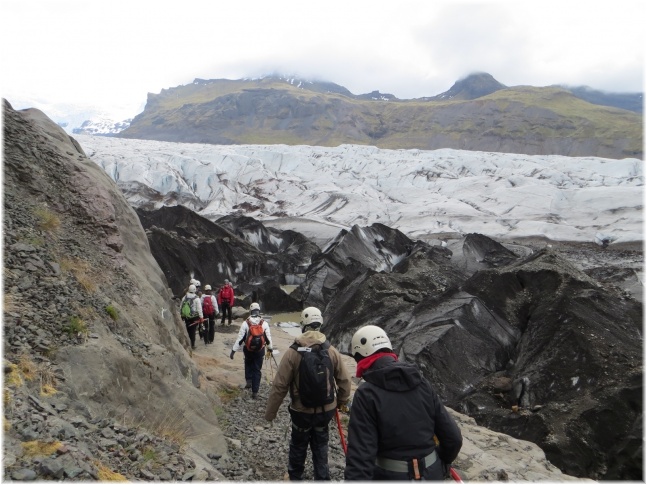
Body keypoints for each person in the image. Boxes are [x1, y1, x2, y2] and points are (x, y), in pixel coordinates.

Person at [344, 325, 463, 481]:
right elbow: (453, 438)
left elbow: (361, 458)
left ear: (360, 357)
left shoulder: (366, 394)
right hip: (432, 474)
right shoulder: (422, 383)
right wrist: (441, 463)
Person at [265, 307, 352, 481]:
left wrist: (270, 413)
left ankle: (295, 477)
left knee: (298, 445)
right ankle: (322, 478)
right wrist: (342, 402)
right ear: (320, 324)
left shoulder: (292, 353)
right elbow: (345, 381)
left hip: (300, 412)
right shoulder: (331, 350)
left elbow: (279, 386)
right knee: (321, 445)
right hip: (325, 411)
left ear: (303, 325)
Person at [229, 303, 273, 399]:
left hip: (248, 350)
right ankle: (255, 392)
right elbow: (268, 338)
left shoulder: (246, 323)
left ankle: (248, 380)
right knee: (257, 370)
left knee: (248, 363)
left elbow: (240, 339)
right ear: (259, 311)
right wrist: (270, 348)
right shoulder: (264, 323)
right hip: (260, 351)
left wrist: (233, 351)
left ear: (250, 311)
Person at [179, 284, 203, 350]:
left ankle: (187, 343)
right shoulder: (196, 298)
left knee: (187, 329)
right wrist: (201, 317)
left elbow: (181, 307)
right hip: (194, 317)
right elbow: (199, 309)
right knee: (193, 331)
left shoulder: (185, 297)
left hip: (186, 317)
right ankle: (192, 344)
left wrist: (181, 315)